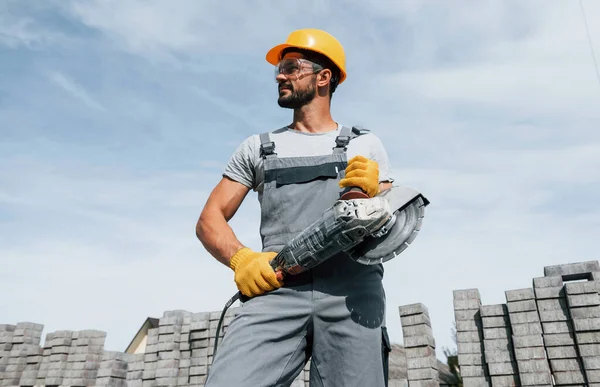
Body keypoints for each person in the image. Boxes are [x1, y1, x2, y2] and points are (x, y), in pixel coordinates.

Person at [196, 28, 395, 387]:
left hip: (352, 294)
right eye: (280, 69)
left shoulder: (363, 143)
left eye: (291, 67)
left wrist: (377, 196)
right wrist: (241, 259)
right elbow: (210, 218)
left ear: (323, 77)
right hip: (275, 287)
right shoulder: (258, 148)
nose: (280, 75)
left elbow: (393, 225)